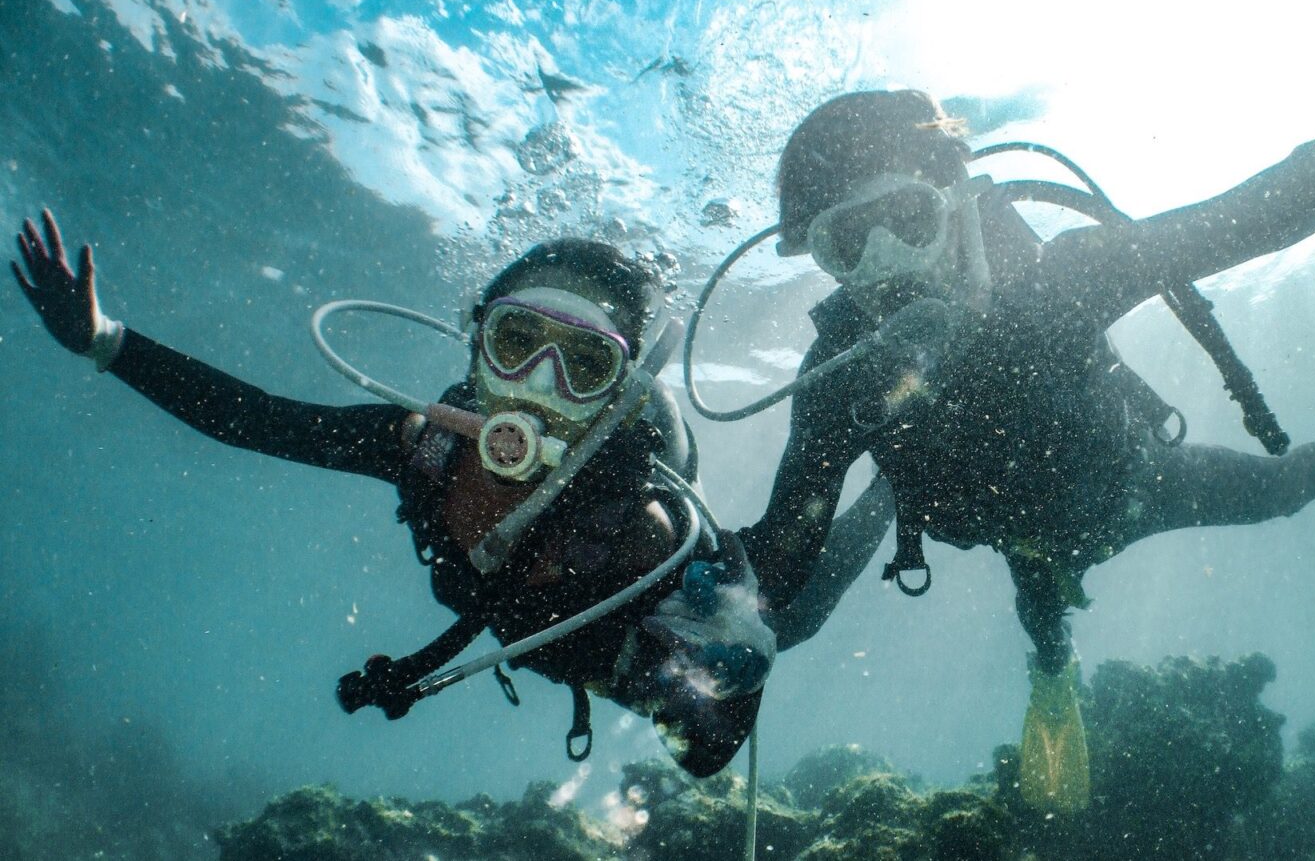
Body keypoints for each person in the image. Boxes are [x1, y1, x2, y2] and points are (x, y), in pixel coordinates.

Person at [737, 0, 1315, 810]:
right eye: (847, 244)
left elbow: (1255, 215)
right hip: (1015, 535)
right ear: (821, 259)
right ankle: (1051, 674)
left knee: (1279, 491)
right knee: (1041, 624)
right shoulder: (841, 378)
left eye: (906, 220)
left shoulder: (1064, 284)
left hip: (1137, 485)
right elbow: (779, 568)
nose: (887, 270)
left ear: (955, 201)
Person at [10, 212, 777, 776]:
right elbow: (256, 422)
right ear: (477, 348)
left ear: (618, 394)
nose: (541, 386)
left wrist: (716, 666)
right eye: (517, 344)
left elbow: (710, 751)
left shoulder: (642, 527)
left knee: (795, 613)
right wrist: (104, 340)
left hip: (612, 656)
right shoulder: (422, 448)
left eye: (583, 364)